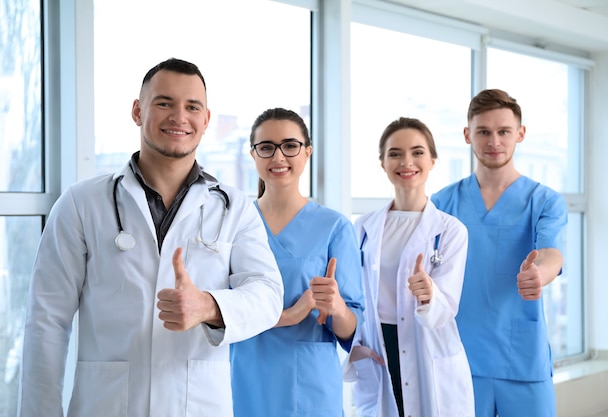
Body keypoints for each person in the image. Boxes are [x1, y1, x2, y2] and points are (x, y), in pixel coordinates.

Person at [17, 58, 284, 417]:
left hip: (199, 406)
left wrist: (208, 306)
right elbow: (47, 320)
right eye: (164, 103)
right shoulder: (82, 204)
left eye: (192, 107)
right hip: (106, 406)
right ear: (137, 110)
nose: (179, 117)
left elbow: (268, 295)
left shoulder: (234, 208)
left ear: (206, 120)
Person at [431, 89, 568, 417]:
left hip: (520, 357)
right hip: (460, 357)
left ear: (520, 134)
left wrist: (539, 274)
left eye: (504, 131)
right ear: (468, 135)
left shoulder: (544, 201)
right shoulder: (441, 204)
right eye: (483, 132)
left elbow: (551, 253)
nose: (494, 141)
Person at [230, 107, 365, 417]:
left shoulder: (334, 227)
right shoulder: (234, 224)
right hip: (245, 377)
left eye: (290, 146)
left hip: (309, 383)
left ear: (307, 152)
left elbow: (351, 329)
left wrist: (337, 307)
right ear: (253, 155)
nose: (278, 157)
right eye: (266, 147)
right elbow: (222, 310)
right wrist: (290, 314)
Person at [344, 117, 474, 417]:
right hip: (378, 347)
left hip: (427, 346)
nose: (407, 161)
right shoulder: (363, 227)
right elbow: (354, 295)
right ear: (383, 163)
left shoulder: (450, 230)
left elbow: (447, 307)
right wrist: (356, 347)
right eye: (395, 153)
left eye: (417, 152)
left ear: (432, 160)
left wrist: (429, 294)